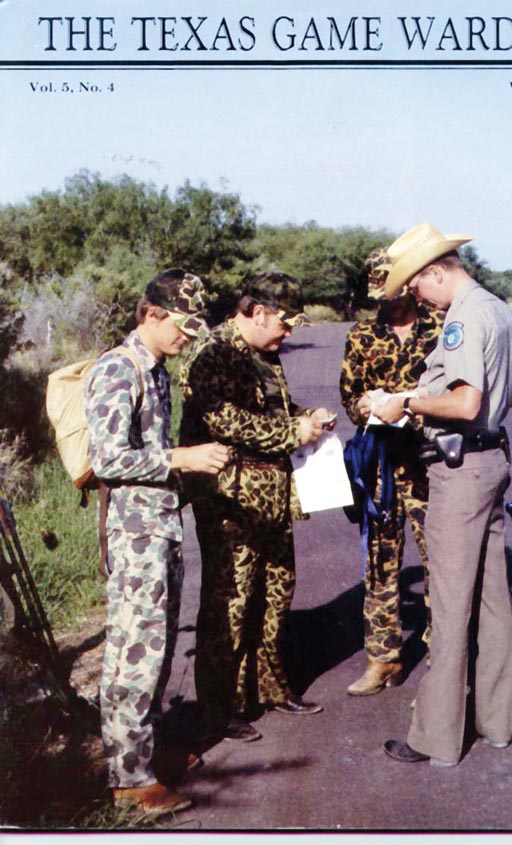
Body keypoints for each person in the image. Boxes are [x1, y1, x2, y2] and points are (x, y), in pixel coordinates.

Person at [369, 222, 512, 768]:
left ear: (436, 271)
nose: (417, 297)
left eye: (416, 285)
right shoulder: (500, 311)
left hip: (459, 469)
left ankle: (436, 738)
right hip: (492, 459)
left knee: (452, 603)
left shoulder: (461, 319)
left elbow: (464, 403)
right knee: (493, 600)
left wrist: (406, 403)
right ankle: (495, 723)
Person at [84, 269, 230, 816]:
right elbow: (107, 458)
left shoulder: (156, 370)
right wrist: (180, 458)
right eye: (181, 327)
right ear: (151, 315)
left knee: (158, 648)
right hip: (135, 536)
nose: (187, 338)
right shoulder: (119, 369)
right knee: (134, 655)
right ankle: (130, 781)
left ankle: (147, 755)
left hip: (160, 527)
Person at [179, 271, 336, 743]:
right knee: (229, 604)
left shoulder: (263, 352)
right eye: (284, 322)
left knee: (275, 592)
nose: (287, 333)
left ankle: (269, 688)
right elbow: (224, 420)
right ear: (258, 312)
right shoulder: (212, 353)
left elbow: (269, 407)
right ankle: (219, 709)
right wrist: (292, 433)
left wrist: (304, 416)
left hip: (271, 496)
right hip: (230, 501)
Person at [339, 248, 443, 695]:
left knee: (440, 562)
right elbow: (349, 395)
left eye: (392, 294)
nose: (385, 304)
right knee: (380, 564)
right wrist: (363, 405)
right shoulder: (362, 334)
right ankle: (383, 660)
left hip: (428, 462)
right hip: (381, 464)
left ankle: (443, 659)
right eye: (378, 296)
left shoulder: (441, 327)